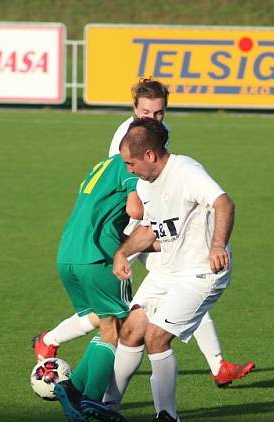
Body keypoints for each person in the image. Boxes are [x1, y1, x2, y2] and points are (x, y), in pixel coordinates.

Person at [34, 78, 254, 388]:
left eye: (159, 113)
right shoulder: (130, 136)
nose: (153, 118)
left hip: (153, 223)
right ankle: (52, 342)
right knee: (118, 313)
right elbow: (132, 195)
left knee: (177, 285)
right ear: (135, 109)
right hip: (130, 228)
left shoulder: (159, 134)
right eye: (147, 112)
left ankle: (217, 365)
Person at [107, 118, 235, 422]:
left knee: (156, 337)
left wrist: (217, 245)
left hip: (200, 272)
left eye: (130, 163)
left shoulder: (187, 171)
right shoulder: (144, 185)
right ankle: (108, 406)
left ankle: (168, 420)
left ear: (150, 155)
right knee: (132, 330)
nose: (129, 170)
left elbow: (224, 202)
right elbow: (153, 229)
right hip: (168, 269)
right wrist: (124, 253)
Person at [50, 152, 141, 422]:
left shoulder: (102, 165)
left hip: (68, 253)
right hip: (98, 255)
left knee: (106, 323)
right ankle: (90, 398)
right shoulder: (130, 165)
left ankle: (72, 388)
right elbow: (136, 210)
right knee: (121, 327)